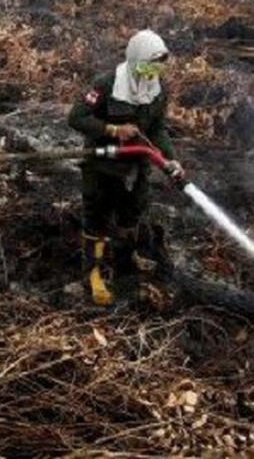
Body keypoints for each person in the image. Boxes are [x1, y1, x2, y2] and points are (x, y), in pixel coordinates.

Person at [67, 29, 185, 306]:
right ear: (133, 60)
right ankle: (93, 274)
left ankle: (124, 259)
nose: (151, 72)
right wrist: (111, 128)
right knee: (97, 218)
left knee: (131, 215)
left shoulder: (158, 92)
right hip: (103, 167)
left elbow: (157, 130)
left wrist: (170, 159)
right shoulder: (106, 85)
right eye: (146, 65)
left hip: (137, 168)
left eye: (157, 65)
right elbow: (76, 118)